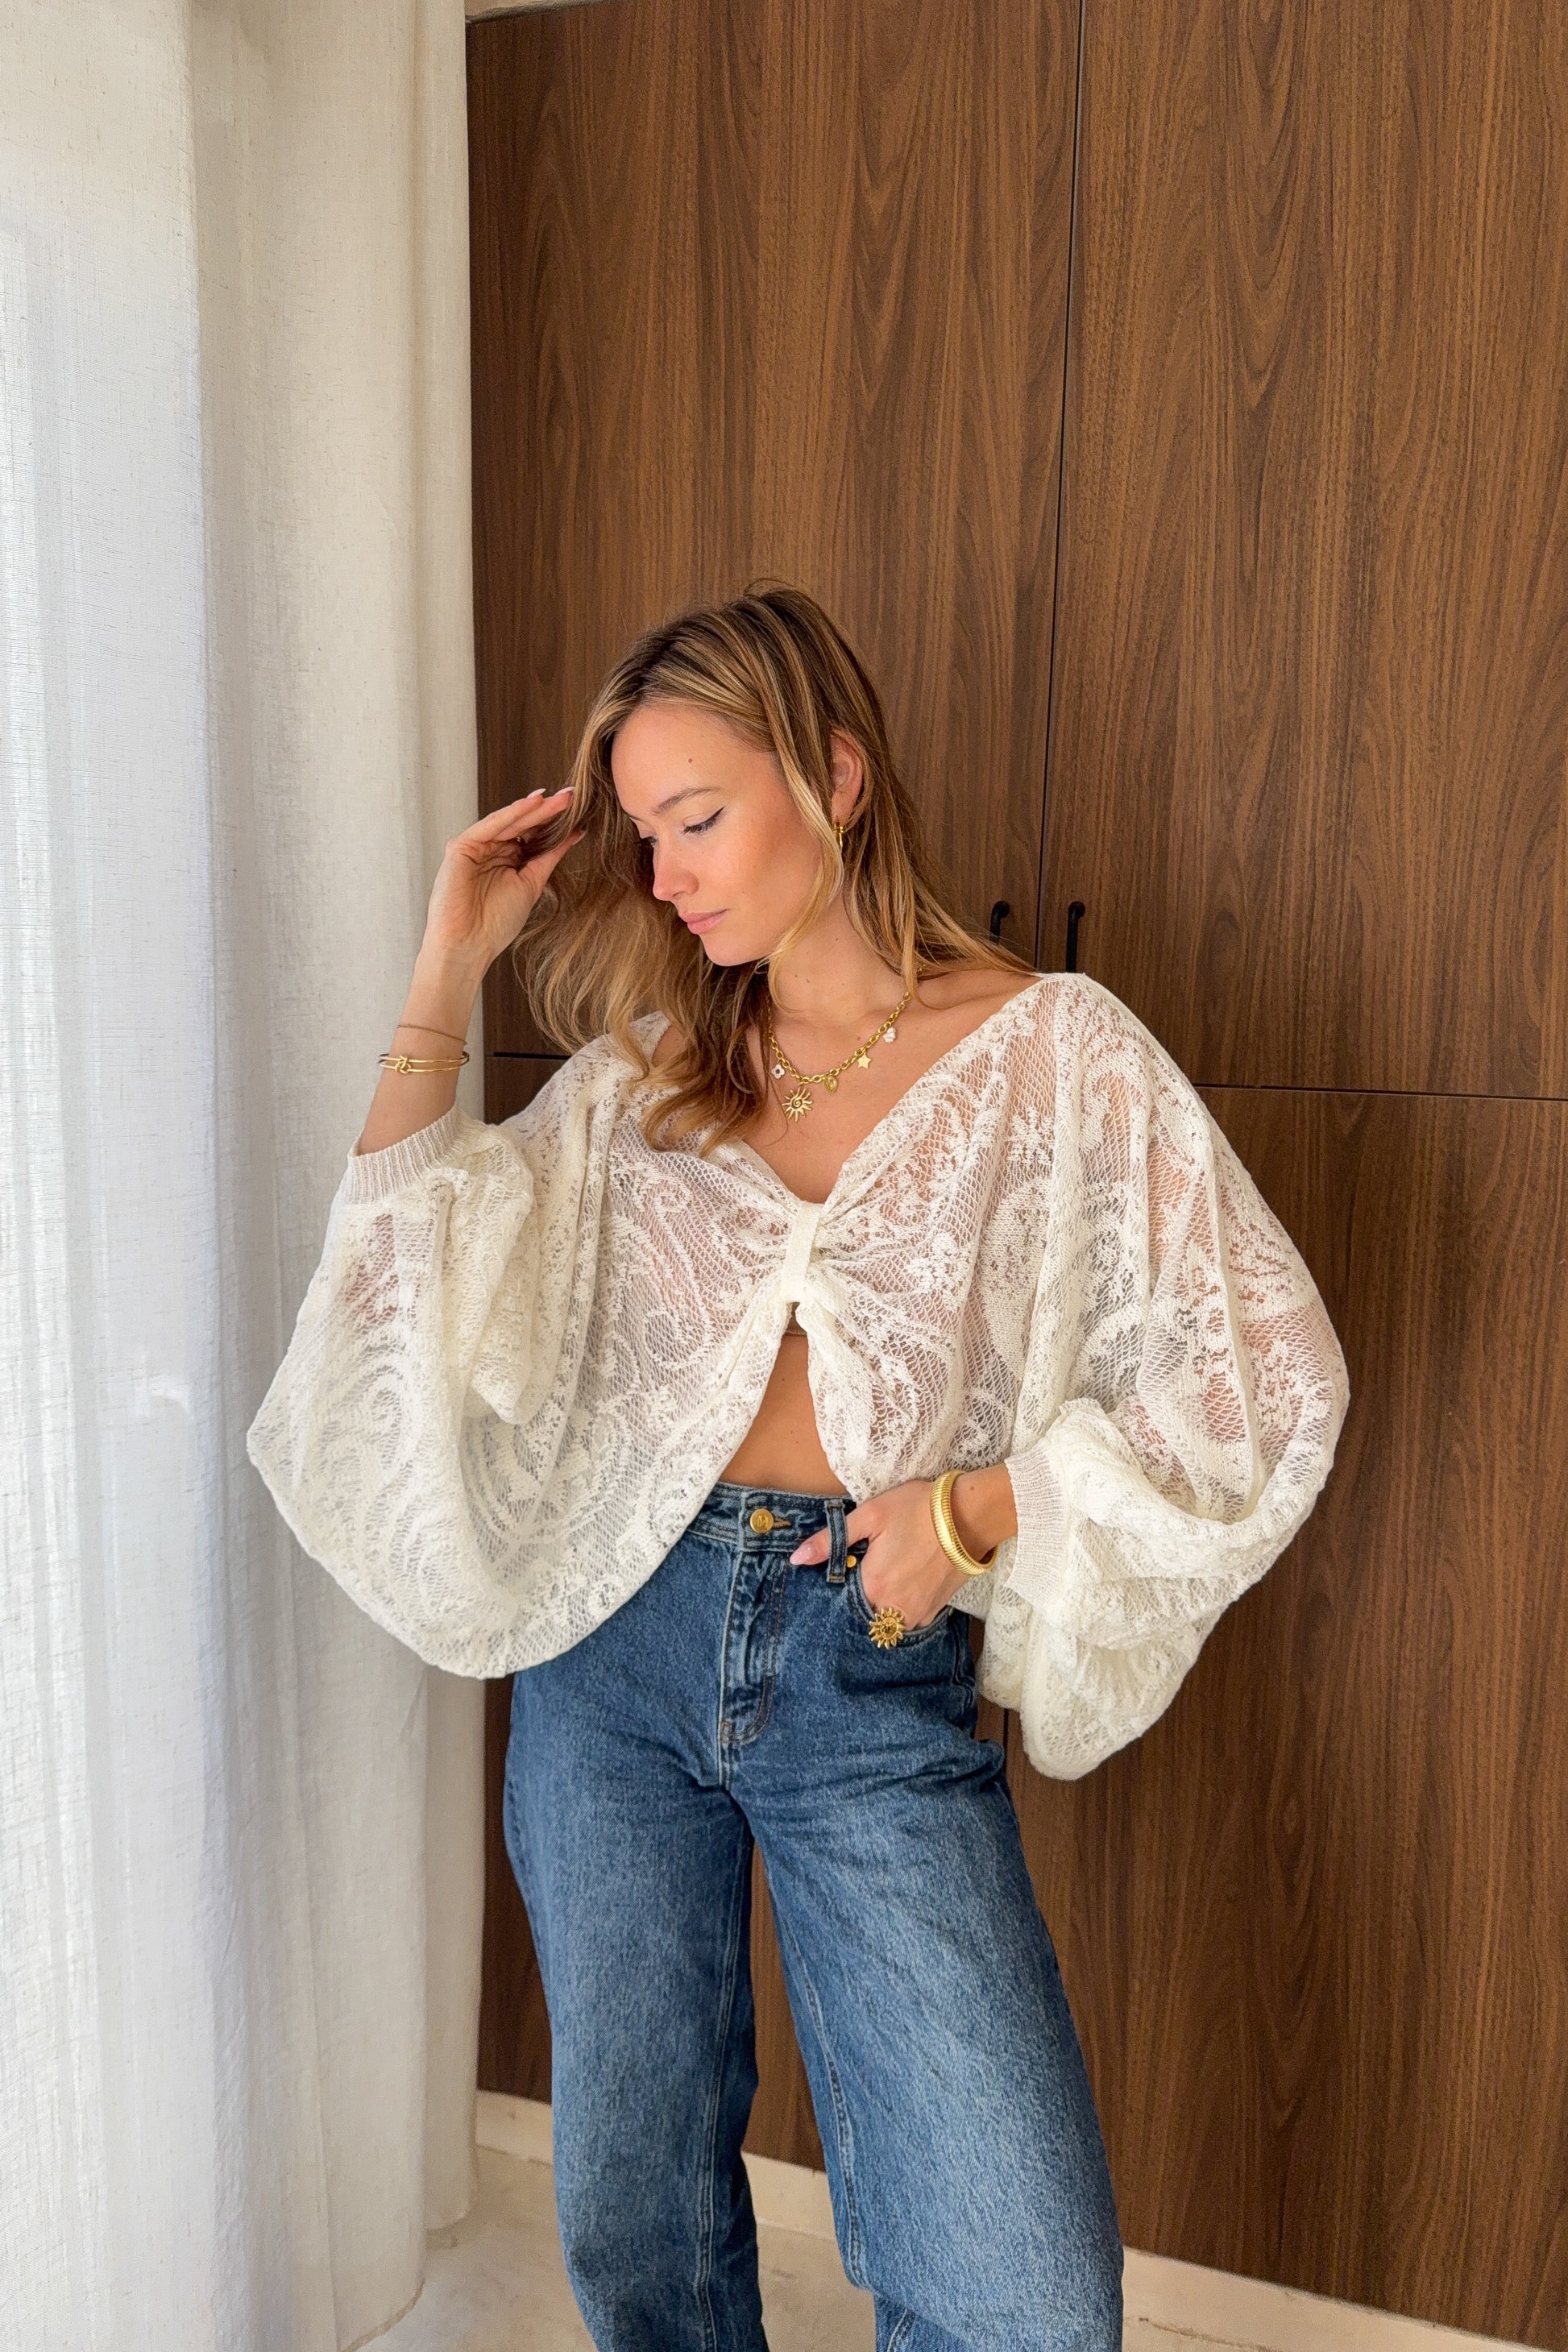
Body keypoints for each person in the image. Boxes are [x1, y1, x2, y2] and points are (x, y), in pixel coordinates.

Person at [247, 581, 1350, 2351]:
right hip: (609, 1658)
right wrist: (448, 960)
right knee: (635, 2221)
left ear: (834, 778)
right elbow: (397, 1286)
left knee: (1018, 2290)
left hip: (864, 1658)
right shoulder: (643, 1076)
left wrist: (977, 1510)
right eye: (644, 836)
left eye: (697, 817)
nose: (666, 873)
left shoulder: (1050, 1050)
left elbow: (1262, 1369)